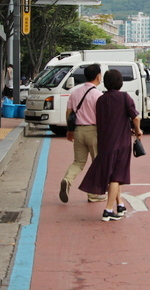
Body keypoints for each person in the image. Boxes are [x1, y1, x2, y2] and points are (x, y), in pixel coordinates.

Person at [79, 69, 142, 221]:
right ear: (120, 82)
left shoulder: (101, 100)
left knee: (113, 175)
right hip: (121, 143)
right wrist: (138, 131)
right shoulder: (124, 97)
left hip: (105, 143)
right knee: (116, 176)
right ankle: (108, 210)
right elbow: (136, 118)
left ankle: (120, 205)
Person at [60, 63, 105, 204]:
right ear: (98, 76)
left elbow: (69, 113)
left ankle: (67, 180)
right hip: (94, 131)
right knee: (96, 163)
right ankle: (93, 195)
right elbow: (102, 116)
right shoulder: (98, 95)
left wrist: (70, 130)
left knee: (78, 161)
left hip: (79, 130)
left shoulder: (75, 93)